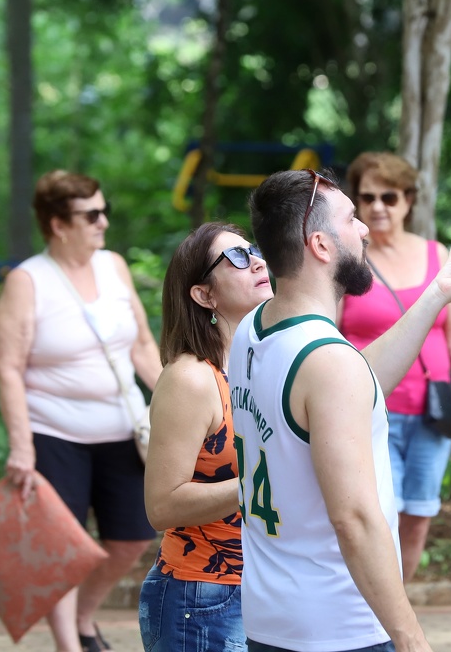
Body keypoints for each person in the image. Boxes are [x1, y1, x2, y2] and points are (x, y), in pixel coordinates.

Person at [231, 168, 451, 652]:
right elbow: (355, 518)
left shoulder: (255, 329)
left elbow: (347, 389)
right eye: (352, 218)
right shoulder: (327, 362)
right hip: (338, 628)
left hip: (269, 617)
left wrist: (438, 293)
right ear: (321, 246)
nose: (365, 228)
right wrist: (409, 636)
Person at [0, 169, 162, 652]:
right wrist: (21, 447)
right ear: (58, 224)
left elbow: (143, 346)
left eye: (103, 211)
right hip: (53, 432)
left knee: (131, 536)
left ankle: (85, 617)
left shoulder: (114, 266)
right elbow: (8, 367)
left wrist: (182, 398)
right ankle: (70, 644)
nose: (103, 221)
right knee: (57, 551)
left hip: (121, 427)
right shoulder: (28, 281)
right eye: (91, 214)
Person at [337, 151, 451, 583]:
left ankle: (394, 612)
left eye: (389, 196)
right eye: (367, 198)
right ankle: (371, 616)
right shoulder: (349, 262)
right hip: (371, 412)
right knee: (378, 516)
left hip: (432, 412)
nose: (379, 207)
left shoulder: (436, 253)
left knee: (419, 514)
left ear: (407, 201)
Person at [138, 222, 272, 652]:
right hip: (201, 596)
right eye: (235, 257)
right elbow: (162, 505)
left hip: (263, 587)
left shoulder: (261, 364)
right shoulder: (191, 379)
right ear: (204, 295)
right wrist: (262, 482)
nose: (255, 260)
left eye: (253, 249)